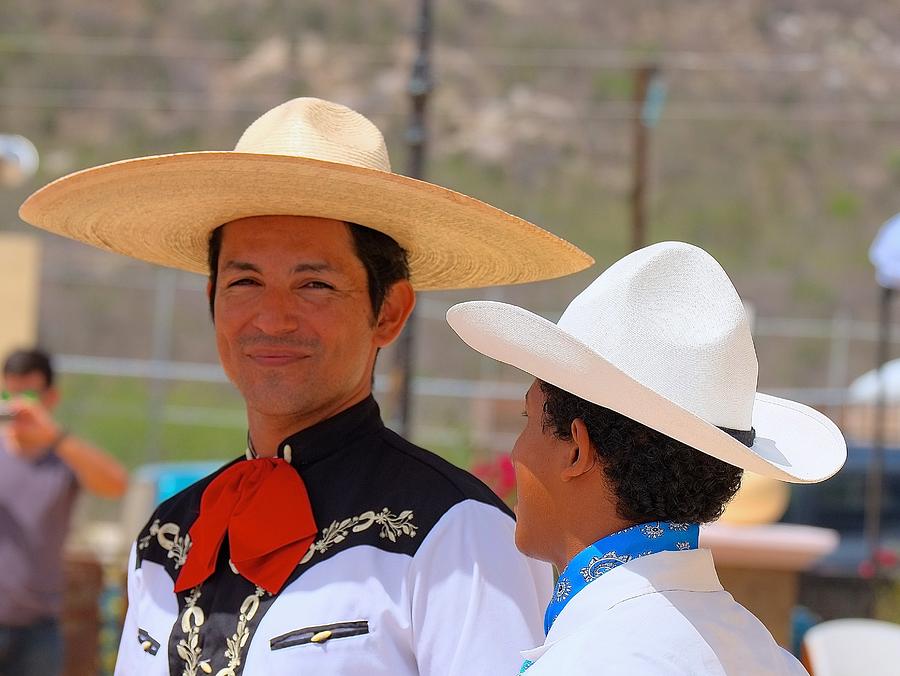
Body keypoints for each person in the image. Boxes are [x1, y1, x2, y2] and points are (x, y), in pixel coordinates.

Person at [19, 97, 594, 675]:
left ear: (389, 312)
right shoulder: (167, 539)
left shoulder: (457, 534)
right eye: (244, 281)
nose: (272, 318)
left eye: (314, 284)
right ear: (211, 301)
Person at [447, 241, 847, 675]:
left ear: (577, 449)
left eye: (529, 418)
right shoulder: (772, 660)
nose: (516, 449)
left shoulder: (588, 661)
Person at [0, 348, 128, 676]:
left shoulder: (63, 459)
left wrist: (52, 436)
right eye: (8, 394)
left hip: (39, 628)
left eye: (27, 396)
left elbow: (116, 484)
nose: (16, 407)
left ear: (50, 398)